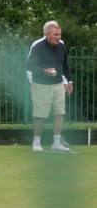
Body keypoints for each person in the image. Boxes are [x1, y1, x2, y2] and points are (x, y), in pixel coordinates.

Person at [26, 20, 74, 152]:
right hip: (40, 85)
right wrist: (44, 71)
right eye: (55, 35)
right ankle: (36, 142)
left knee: (59, 113)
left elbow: (65, 65)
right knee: (40, 115)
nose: (58, 37)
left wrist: (69, 81)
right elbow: (29, 65)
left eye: (59, 34)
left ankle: (56, 143)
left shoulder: (61, 46)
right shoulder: (37, 46)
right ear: (47, 34)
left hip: (58, 84)